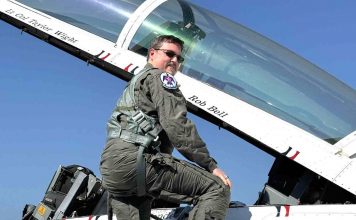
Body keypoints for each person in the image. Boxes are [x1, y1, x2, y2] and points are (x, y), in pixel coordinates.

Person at [100, 35, 232, 220]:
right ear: (152, 54)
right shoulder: (159, 77)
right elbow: (177, 125)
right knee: (217, 188)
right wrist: (209, 165)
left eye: (179, 58)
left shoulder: (136, 82)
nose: (175, 60)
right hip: (135, 160)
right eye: (169, 54)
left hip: (112, 168)